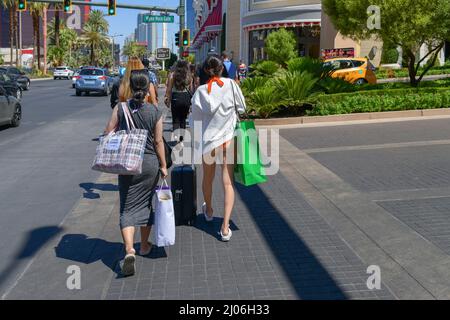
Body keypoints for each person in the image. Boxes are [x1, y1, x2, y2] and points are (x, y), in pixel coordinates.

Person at [104, 71, 168, 277]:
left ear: (130, 87)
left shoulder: (120, 108)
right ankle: (145, 246)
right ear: (149, 87)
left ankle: (129, 249)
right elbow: (159, 142)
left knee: (127, 206)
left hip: (127, 164)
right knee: (146, 203)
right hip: (149, 164)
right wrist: (164, 165)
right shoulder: (154, 111)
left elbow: (107, 132)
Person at [191, 56, 246, 242]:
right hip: (228, 139)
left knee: (207, 178)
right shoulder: (231, 85)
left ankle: (208, 210)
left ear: (205, 70)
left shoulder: (200, 91)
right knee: (228, 183)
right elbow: (243, 107)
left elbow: (195, 120)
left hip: (208, 142)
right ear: (222, 68)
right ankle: (225, 227)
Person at [164, 60, 193, 143]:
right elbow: (191, 89)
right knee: (183, 119)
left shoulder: (172, 75)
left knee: (176, 119)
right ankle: (182, 139)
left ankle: (177, 139)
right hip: (186, 97)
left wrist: (168, 100)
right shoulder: (189, 76)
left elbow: (169, 89)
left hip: (176, 97)